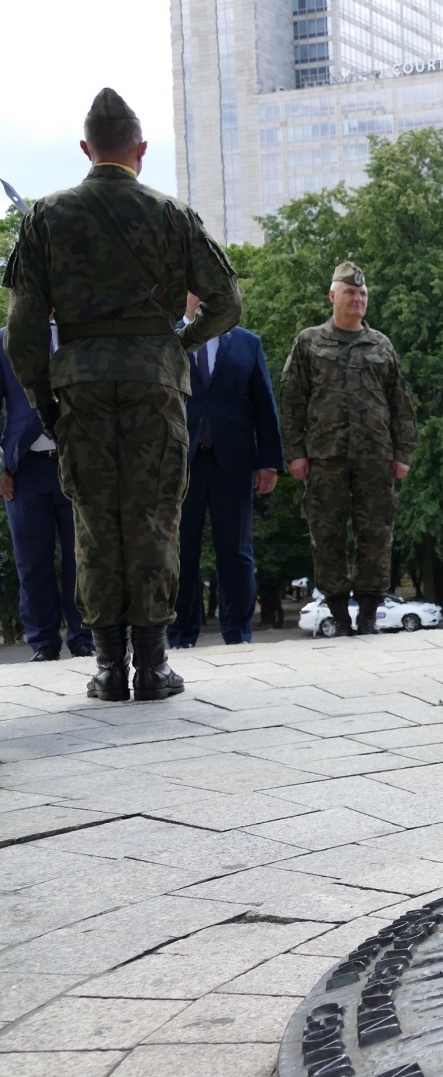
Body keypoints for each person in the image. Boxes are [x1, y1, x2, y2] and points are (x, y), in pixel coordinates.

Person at [3, 88, 241, 701]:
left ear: (87, 149)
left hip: (79, 384)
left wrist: (45, 399)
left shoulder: (47, 218)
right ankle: (155, 667)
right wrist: (178, 346)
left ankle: (109, 669)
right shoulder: (172, 215)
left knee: (94, 521)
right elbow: (228, 303)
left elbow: (24, 333)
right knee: (154, 517)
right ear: (140, 150)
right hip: (154, 385)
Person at [280, 262, 417, 635]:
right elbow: (292, 400)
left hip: (376, 455)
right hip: (325, 456)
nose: (357, 299)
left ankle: (369, 614)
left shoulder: (381, 344)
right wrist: (295, 451)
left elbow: (400, 402)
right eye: (350, 293)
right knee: (327, 534)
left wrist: (403, 453)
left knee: (377, 534)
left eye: (362, 294)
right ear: (332, 296)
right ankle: (340, 616)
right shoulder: (309, 341)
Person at [170, 294, 282, 648]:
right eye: (195, 290)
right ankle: (180, 636)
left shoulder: (247, 343)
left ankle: (238, 634)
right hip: (177, 465)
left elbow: (264, 405)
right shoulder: (165, 340)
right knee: (179, 553)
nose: (202, 297)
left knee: (236, 552)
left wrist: (268, 462)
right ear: (183, 296)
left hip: (233, 463)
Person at [0, 327, 92, 661]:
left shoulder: (80, 334)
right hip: (24, 468)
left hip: (78, 462)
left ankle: (83, 635)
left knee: (81, 556)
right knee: (31, 559)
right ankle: (43, 641)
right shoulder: (5, 340)